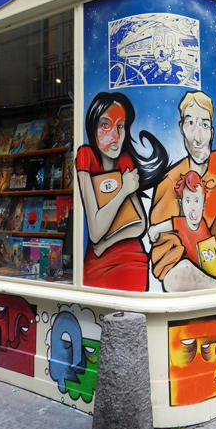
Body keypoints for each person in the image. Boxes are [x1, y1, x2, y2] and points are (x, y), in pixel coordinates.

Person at [77, 92, 168, 291]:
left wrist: (106, 244)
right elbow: (95, 231)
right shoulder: (86, 156)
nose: (115, 136)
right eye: (105, 125)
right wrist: (123, 191)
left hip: (133, 261)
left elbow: (140, 224)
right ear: (93, 127)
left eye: (120, 126)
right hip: (96, 267)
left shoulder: (125, 161)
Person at [150, 91, 216, 291]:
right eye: (190, 123)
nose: (198, 137)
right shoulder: (169, 183)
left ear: (212, 132)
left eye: (204, 125)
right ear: (181, 129)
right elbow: (169, 271)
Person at [148, 170, 216, 279]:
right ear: (181, 204)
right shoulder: (181, 223)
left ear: (203, 205)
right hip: (188, 273)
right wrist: (154, 230)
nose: (192, 207)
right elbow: (165, 225)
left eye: (196, 201)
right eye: (187, 201)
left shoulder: (203, 224)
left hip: (203, 272)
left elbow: (210, 253)